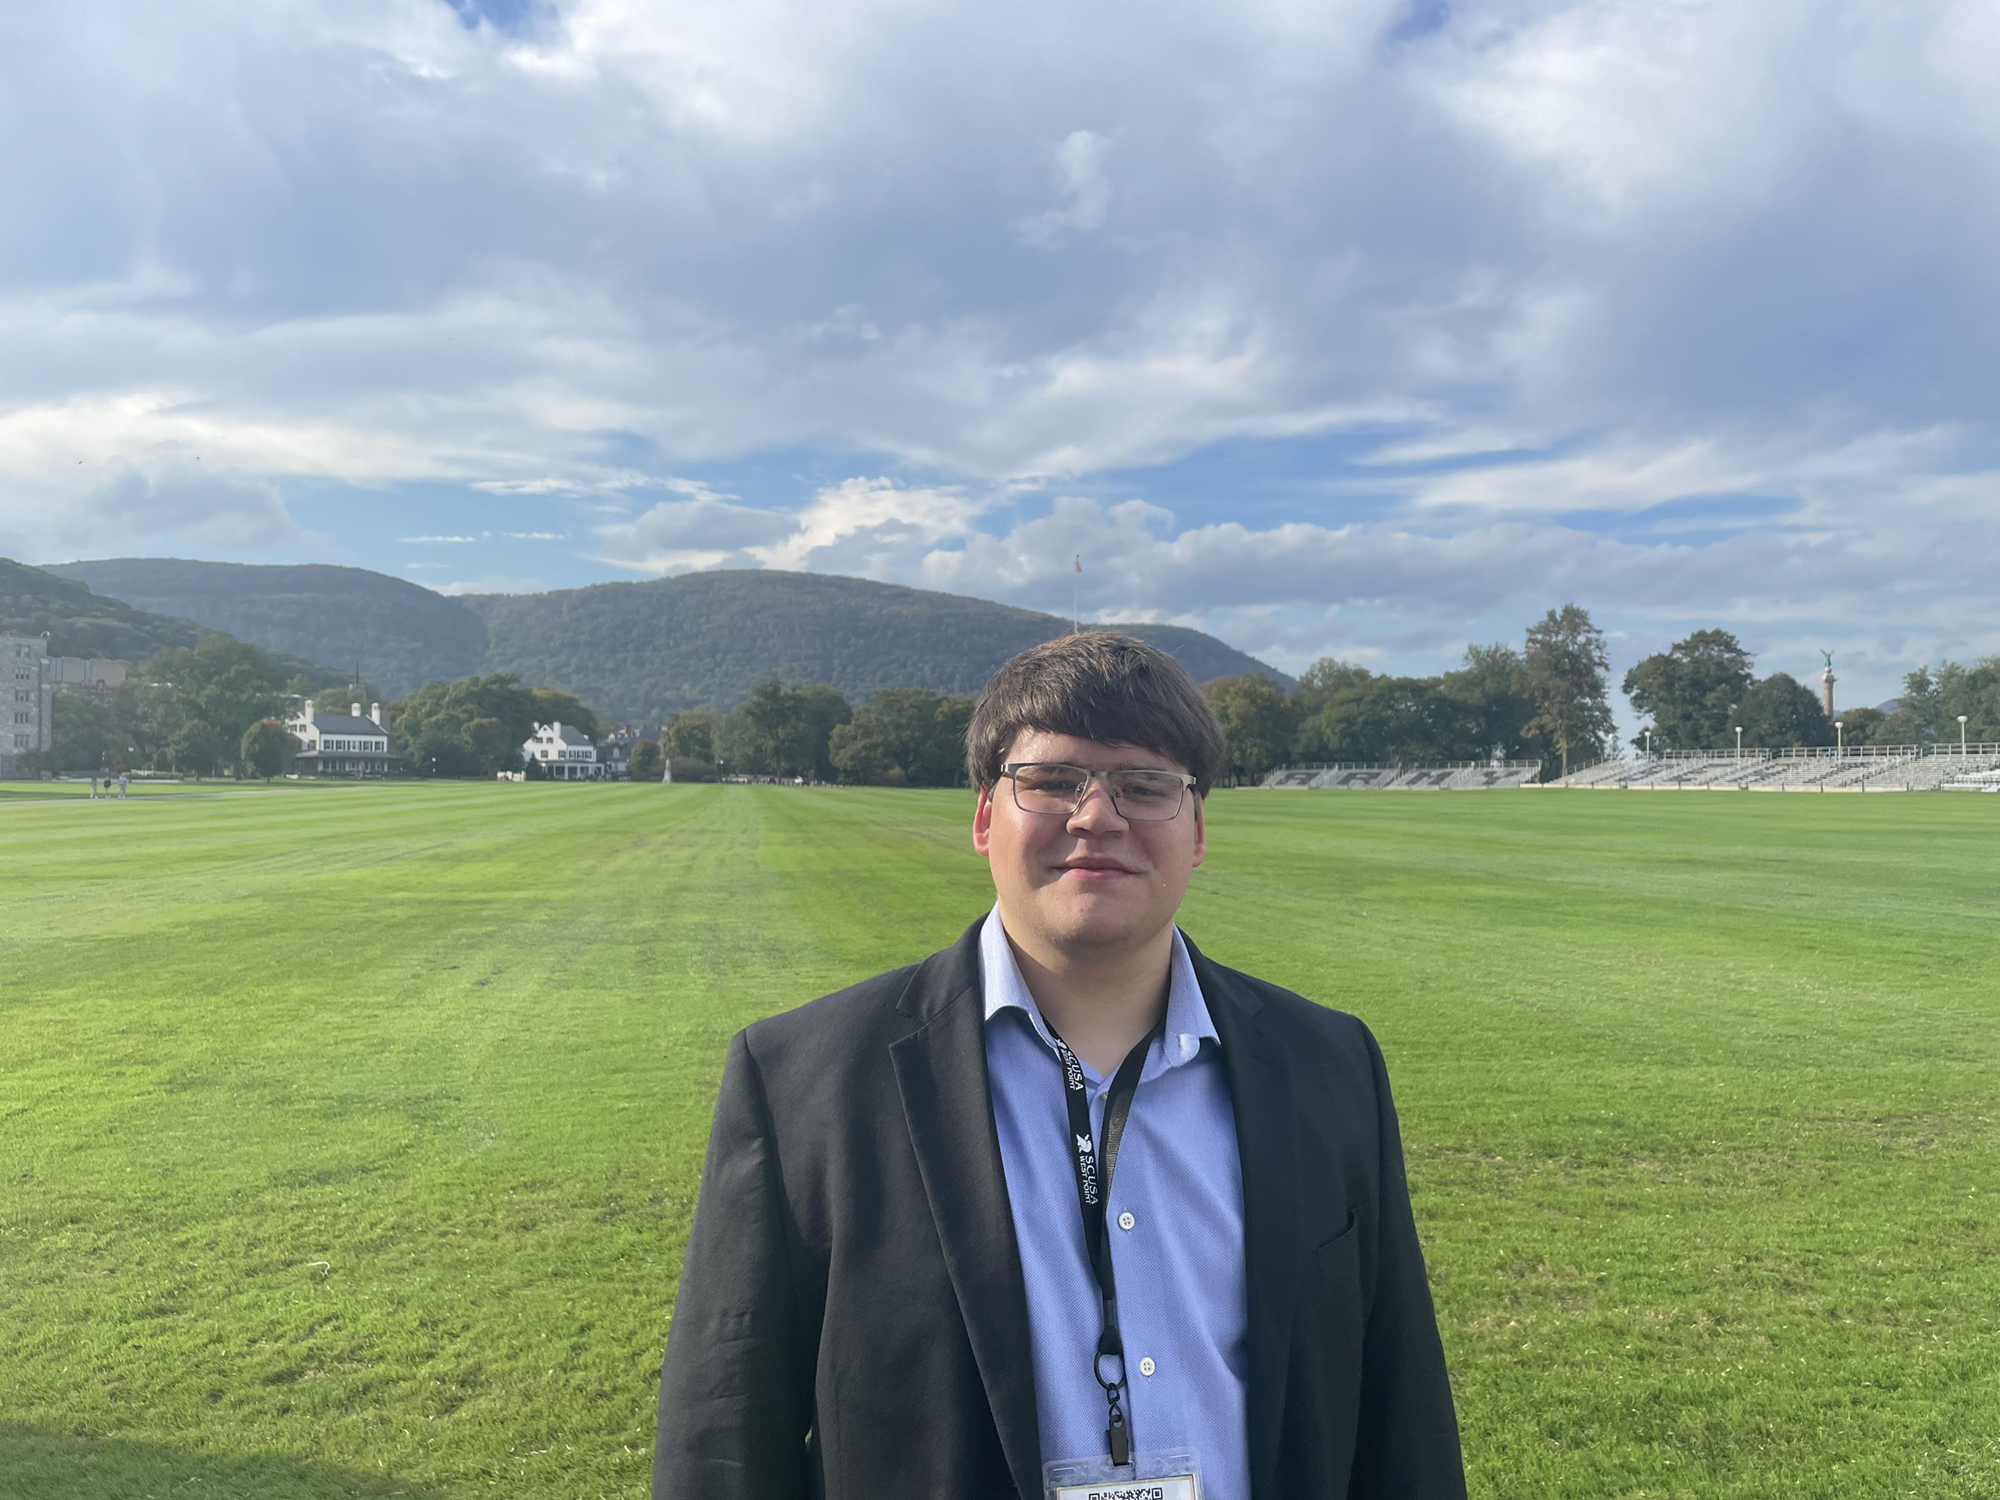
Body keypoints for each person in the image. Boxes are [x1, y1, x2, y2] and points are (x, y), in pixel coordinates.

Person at [653, 633, 1465, 1500]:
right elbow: (725, 1435)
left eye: (1144, 786)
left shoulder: (1331, 1064)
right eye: (1051, 782)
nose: (1098, 816)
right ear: (982, 817)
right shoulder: (799, 1080)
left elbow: (1399, 1406)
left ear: (1195, 831)